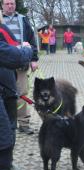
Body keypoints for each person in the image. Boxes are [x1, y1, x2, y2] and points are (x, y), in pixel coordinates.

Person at [0, 11, 33, 170]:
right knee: (4, 142)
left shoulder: (18, 23)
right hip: (5, 86)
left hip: (8, 86)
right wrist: (26, 51)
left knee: (9, 129)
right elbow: (16, 55)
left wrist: (31, 54)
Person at [2, 0, 39, 137]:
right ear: (2, 5)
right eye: (7, 4)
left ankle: (24, 123)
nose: (10, 6)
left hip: (21, 62)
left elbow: (31, 39)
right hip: (4, 64)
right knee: (6, 95)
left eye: (12, 3)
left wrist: (34, 59)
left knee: (22, 93)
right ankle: (7, 123)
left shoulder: (23, 20)